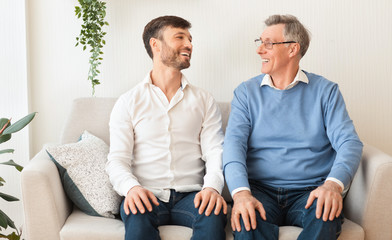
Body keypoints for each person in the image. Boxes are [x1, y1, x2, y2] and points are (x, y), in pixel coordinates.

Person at [223, 14, 363, 240]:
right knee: (246, 221)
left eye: (268, 44)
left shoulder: (326, 91)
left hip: (310, 191)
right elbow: (232, 146)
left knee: (325, 216)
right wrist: (240, 194)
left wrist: (333, 186)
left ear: (292, 49)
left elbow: (349, 142)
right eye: (260, 43)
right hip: (260, 190)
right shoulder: (246, 93)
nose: (260, 51)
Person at [106, 16, 227, 240]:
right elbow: (117, 160)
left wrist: (211, 188)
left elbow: (215, 152)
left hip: (193, 195)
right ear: (156, 45)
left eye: (190, 39)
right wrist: (131, 189)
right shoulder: (128, 102)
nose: (189, 44)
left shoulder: (204, 99)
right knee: (137, 214)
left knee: (213, 214)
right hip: (146, 193)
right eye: (179, 37)